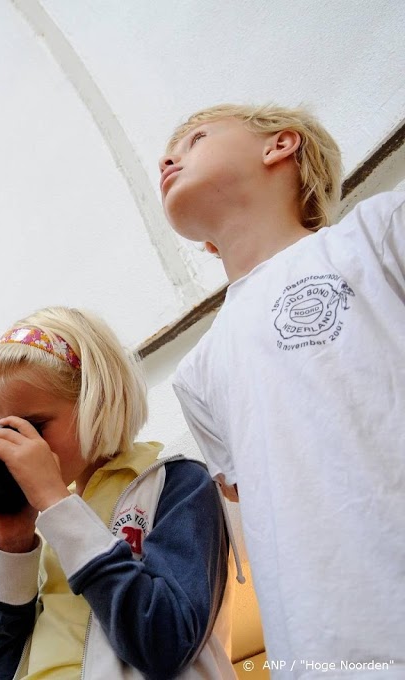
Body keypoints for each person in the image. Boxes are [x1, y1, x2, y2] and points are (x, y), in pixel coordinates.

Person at [160, 103, 405, 671]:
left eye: (195, 139)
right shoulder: (195, 372)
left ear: (280, 145)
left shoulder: (377, 232)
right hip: (316, 656)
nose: (169, 158)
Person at [0, 307, 235, 679]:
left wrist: (56, 504)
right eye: (3, 429)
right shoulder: (54, 517)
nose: (18, 445)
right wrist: (13, 545)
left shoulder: (175, 484)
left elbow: (164, 642)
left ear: (97, 400)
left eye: (32, 426)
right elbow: (0, 663)